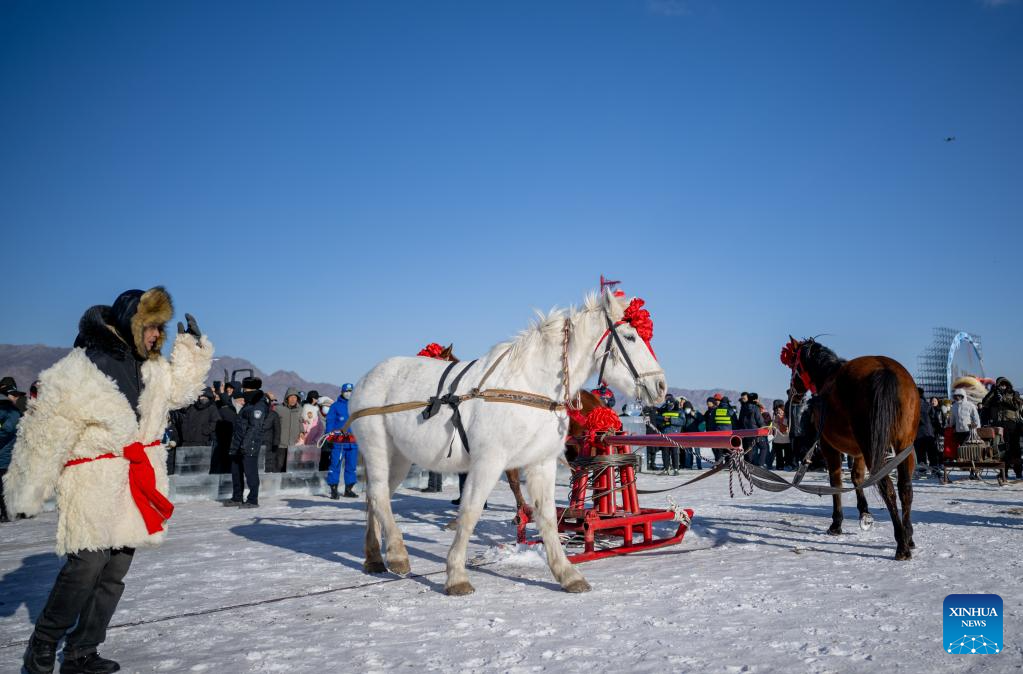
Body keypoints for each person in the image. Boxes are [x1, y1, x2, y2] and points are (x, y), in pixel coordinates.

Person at [5, 287, 212, 674]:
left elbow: (181, 392)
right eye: (151, 326)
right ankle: (43, 644)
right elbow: (45, 430)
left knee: (114, 572)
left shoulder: (152, 367)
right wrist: (25, 490)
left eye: (161, 328)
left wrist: (191, 350)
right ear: (131, 321)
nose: (157, 335)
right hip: (94, 478)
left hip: (135, 479)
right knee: (86, 565)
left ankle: (82, 651)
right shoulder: (83, 365)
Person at [226, 377, 268, 508]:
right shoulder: (248, 404)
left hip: (249, 444)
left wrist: (246, 444)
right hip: (238, 443)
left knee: (250, 473)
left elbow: (255, 427)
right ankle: (237, 497)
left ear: (254, 390)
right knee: (236, 472)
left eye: (246, 389)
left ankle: (252, 499)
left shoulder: (259, 405)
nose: (244, 392)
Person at [982, 377, 1022, 479]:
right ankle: (1003, 472)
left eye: (1004, 384)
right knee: (1001, 450)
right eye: (1000, 385)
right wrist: (993, 392)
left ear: (1008, 385)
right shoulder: (994, 395)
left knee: (1015, 448)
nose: (1003, 386)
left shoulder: (1014, 393)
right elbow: (985, 403)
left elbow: (1017, 406)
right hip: (999, 426)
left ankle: (1018, 471)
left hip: (1012, 424)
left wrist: (1004, 399)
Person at [324, 384, 359, 498]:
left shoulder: (356, 406)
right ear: (342, 392)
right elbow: (330, 421)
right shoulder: (335, 406)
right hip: (339, 441)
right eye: (346, 391)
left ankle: (348, 489)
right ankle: (334, 489)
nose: (348, 393)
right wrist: (329, 435)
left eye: (350, 391)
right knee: (335, 465)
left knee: (351, 466)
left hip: (353, 442)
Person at [0, 377, 25, 523]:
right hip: (8, 452)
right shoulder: (11, 406)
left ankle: (8, 513)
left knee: (6, 484)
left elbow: (8, 428)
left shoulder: (10, 409)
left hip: (7, 454)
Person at [271, 387, 304, 473]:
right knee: (279, 465)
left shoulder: (300, 409)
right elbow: (273, 423)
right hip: (281, 443)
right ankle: (277, 481)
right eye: (291, 397)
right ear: (287, 398)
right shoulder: (278, 408)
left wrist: (302, 432)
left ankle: (290, 481)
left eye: (295, 397)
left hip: (294, 444)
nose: (293, 399)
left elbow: (301, 422)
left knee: (292, 467)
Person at [771, 399, 793, 470]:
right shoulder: (775, 418)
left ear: (783, 411)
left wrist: (779, 421)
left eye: (780, 410)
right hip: (778, 439)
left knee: (787, 454)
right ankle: (780, 465)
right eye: (777, 411)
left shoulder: (786, 418)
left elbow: (785, 428)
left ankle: (787, 464)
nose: (778, 412)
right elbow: (773, 428)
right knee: (779, 454)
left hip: (786, 439)